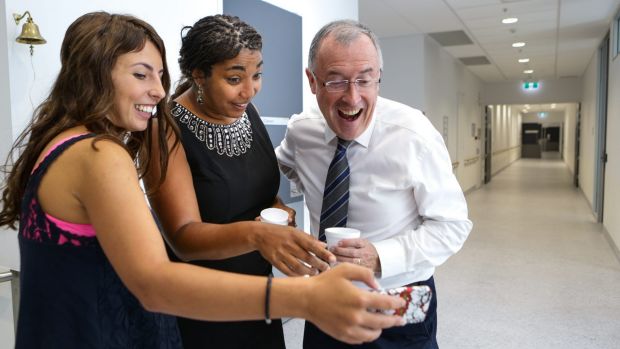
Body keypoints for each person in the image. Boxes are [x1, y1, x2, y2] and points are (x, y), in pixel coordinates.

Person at [0, 12, 409, 349]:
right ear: (95, 73)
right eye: (141, 75)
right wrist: (306, 298)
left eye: (159, 76)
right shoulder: (100, 154)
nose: (158, 91)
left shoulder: (59, 144)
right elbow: (155, 280)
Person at [275, 19, 473, 348]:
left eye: (365, 80)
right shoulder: (302, 131)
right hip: (325, 297)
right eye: (336, 81)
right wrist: (280, 207)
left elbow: (453, 226)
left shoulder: (414, 136)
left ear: (379, 78)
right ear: (313, 81)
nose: (352, 98)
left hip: (394, 303)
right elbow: (283, 167)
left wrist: (380, 256)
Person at [144, 14, 334, 349]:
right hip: (203, 303)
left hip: (258, 294)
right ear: (199, 75)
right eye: (234, 78)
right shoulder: (166, 130)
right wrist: (259, 234)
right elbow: (183, 238)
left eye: (257, 74)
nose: (249, 90)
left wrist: (279, 213)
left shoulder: (246, 111)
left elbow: (257, 192)